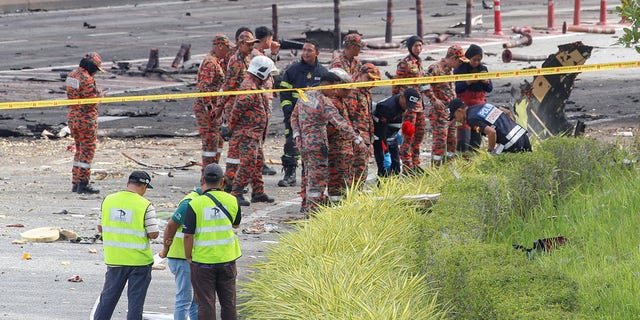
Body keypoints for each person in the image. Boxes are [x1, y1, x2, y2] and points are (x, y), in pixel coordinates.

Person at [291, 72, 367, 214]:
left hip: (304, 145)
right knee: (317, 183)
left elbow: (294, 117)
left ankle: (308, 208)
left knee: (308, 177)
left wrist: (297, 135)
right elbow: (339, 123)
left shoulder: (305, 96)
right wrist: (357, 139)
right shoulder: (324, 101)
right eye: (333, 88)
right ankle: (313, 214)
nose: (334, 92)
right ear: (326, 84)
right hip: (318, 145)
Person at [94, 171, 159, 320]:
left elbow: (100, 227)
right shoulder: (145, 205)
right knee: (135, 304)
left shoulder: (108, 200)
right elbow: (154, 233)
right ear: (144, 186)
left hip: (115, 259)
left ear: (128, 183)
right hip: (140, 262)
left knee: (107, 300)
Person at [183, 163, 242, 320]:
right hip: (227, 260)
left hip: (202, 262)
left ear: (203, 179)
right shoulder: (232, 200)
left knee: (206, 304)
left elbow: (188, 235)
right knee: (229, 303)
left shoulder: (195, 204)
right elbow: (236, 224)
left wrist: (188, 256)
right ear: (222, 181)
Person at [227, 55, 277, 206]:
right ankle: (236, 193)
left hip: (255, 134)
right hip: (247, 134)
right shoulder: (249, 88)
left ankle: (258, 192)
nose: (269, 77)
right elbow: (236, 111)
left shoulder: (255, 85)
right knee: (248, 164)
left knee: (257, 163)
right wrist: (229, 128)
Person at [277, 39, 327, 187]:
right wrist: (288, 110)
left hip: (314, 120)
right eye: (304, 50)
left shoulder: (323, 73)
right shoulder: (292, 70)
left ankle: (307, 174)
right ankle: (289, 174)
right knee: (291, 144)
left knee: (311, 147)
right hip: (294, 116)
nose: (305, 53)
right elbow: (284, 92)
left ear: (317, 53)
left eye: (309, 50)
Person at [218, 30, 258, 191]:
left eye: (252, 44)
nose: (251, 47)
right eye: (248, 45)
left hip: (244, 109)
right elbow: (228, 86)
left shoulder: (248, 59)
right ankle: (231, 185)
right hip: (235, 109)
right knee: (235, 151)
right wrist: (221, 108)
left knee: (245, 151)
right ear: (240, 44)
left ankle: (240, 184)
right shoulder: (235, 62)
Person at [159, 185, 202, 320]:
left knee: (195, 301)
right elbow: (171, 226)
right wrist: (165, 250)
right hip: (181, 257)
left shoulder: (200, 201)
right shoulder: (189, 202)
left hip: (190, 257)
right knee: (185, 299)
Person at [66, 52, 105, 194]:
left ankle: (76, 182)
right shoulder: (87, 79)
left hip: (73, 116)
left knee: (79, 149)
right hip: (85, 119)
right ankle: (83, 183)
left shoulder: (72, 75)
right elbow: (90, 102)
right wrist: (100, 95)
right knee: (87, 150)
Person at [425, 45, 469, 166]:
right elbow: (423, 84)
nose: (460, 64)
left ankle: (448, 167)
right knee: (440, 142)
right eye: (459, 61)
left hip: (451, 112)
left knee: (452, 140)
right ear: (453, 58)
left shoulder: (450, 70)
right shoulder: (435, 68)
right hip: (439, 111)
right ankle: (436, 169)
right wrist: (434, 100)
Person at [194, 34, 232, 170]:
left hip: (215, 109)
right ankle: (207, 173)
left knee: (217, 141)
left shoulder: (217, 61)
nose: (228, 51)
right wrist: (210, 110)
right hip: (207, 110)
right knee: (210, 142)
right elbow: (204, 88)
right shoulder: (210, 63)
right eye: (227, 48)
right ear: (220, 46)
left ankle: (214, 169)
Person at [393, 35, 427, 173]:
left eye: (420, 45)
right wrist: (396, 105)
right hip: (408, 108)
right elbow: (396, 85)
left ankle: (415, 163)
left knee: (419, 136)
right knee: (408, 137)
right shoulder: (404, 63)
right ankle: (407, 167)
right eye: (415, 46)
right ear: (410, 47)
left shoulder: (419, 63)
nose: (418, 48)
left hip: (419, 106)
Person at [449, 99, 532, 154]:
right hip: (522, 135)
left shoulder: (471, 119)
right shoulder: (483, 105)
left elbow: (491, 132)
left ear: (459, 111)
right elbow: (507, 112)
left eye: (455, 117)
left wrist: (490, 151)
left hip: (511, 143)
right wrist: (511, 127)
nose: (457, 120)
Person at [372, 89, 421, 177]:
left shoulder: (402, 105)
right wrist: (386, 153)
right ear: (402, 97)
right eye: (407, 104)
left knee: (396, 167)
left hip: (391, 136)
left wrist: (398, 132)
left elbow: (397, 119)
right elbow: (381, 132)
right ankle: (382, 189)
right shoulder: (386, 107)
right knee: (385, 170)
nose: (407, 107)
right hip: (380, 137)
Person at [454, 44, 493, 152]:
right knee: (463, 138)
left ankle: (473, 158)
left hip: (478, 108)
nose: (476, 62)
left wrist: (486, 82)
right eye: (474, 60)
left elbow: (490, 88)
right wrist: (468, 81)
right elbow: (455, 88)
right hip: (464, 108)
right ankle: (462, 157)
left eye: (479, 60)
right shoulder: (460, 70)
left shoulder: (483, 69)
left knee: (476, 137)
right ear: (468, 58)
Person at [253, 26, 280, 177]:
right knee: (259, 133)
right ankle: (259, 163)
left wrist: (273, 54)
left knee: (261, 134)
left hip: (265, 98)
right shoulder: (256, 55)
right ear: (267, 38)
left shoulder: (260, 54)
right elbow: (268, 73)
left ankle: (260, 161)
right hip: (261, 100)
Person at [348, 63, 380, 185]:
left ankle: (357, 194)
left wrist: (370, 141)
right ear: (361, 75)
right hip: (356, 138)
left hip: (365, 138)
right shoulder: (353, 91)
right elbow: (350, 118)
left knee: (362, 170)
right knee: (355, 170)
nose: (371, 83)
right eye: (369, 79)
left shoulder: (366, 92)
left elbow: (367, 118)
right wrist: (357, 139)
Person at [326, 68, 355, 203]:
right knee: (337, 180)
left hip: (344, 147)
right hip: (336, 148)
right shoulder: (332, 103)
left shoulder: (341, 101)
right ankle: (335, 205)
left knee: (344, 179)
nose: (349, 93)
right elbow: (330, 128)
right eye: (345, 89)